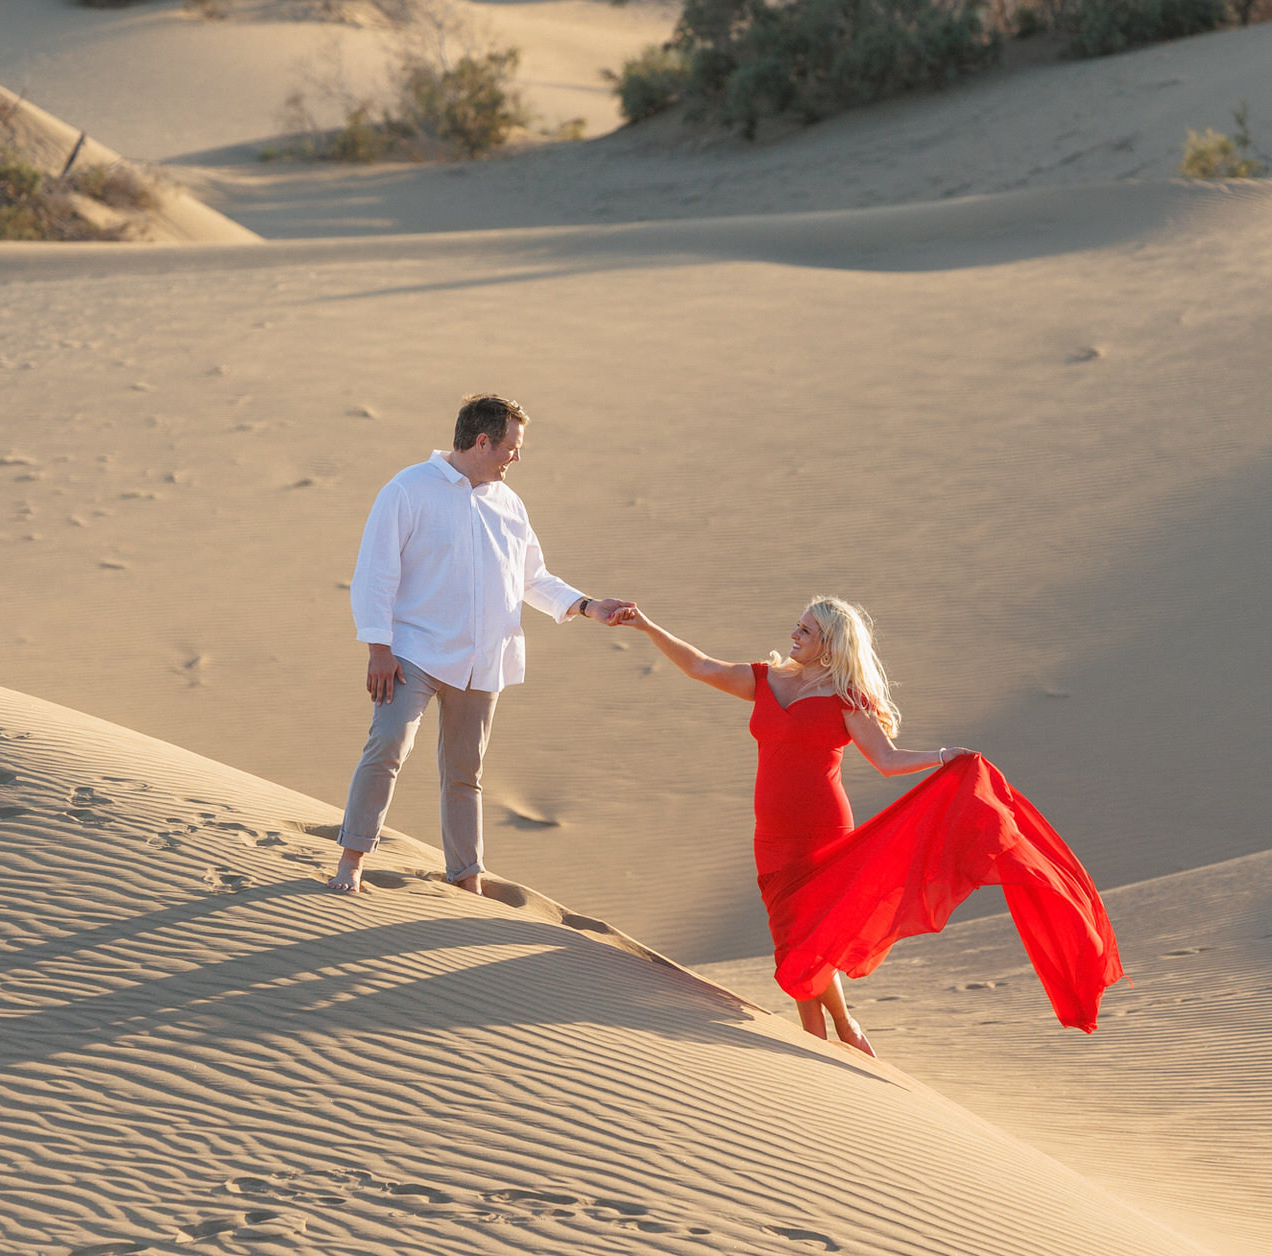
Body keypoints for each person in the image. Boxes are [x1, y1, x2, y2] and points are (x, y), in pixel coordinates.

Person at [611, 595, 1124, 1053]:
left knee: (804, 937)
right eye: (797, 625)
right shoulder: (764, 680)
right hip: (770, 837)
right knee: (799, 937)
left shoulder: (846, 699)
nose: (794, 634)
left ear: (829, 645)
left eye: (806, 630)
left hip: (824, 832)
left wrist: (944, 756)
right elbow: (701, 666)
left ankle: (816, 1044)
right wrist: (647, 626)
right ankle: (845, 1023)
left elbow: (888, 759)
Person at [331, 394, 630, 896]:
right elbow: (375, 573)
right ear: (482, 441)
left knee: (466, 773)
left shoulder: (508, 504)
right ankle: (351, 861)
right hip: (412, 653)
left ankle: (467, 878)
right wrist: (378, 647)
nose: (517, 456)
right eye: (512, 446)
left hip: (484, 658)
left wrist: (587, 605)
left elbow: (532, 577)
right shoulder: (408, 489)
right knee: (386, 748)